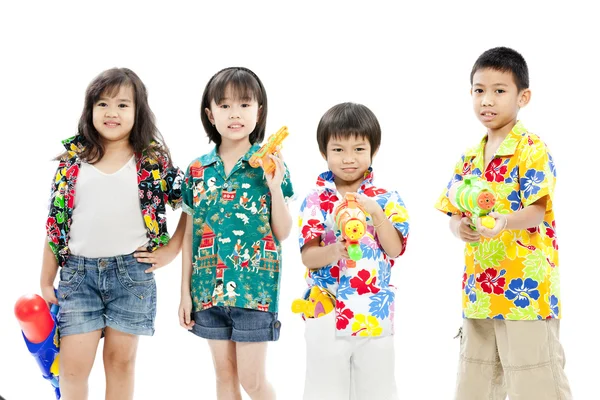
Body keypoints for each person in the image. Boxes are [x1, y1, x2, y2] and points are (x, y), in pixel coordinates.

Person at [434, 47, 572, 399]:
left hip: (524, 289)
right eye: (479, 90)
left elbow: (538, 211)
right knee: (476, 380)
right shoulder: (469, 157)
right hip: (480, 288)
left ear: (522, 96)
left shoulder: (531, 148)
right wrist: (458, 227)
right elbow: (453, 210)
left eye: (499, 90)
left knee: (534, 378)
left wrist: (503, 222)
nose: (487, 100)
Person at [40, 67, 186, 399]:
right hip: (78, 276)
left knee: (121, 363)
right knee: (74, 367)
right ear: (90, 111)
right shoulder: (72, 163)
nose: (112, 112)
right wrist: (46, 279)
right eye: (103, 104)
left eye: (123, 105)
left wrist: (172, 249)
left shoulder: (152, 162)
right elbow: (54, 226)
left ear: (138, 112)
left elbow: (191, 204)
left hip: (132, 275)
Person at [178, 67, 294, 400]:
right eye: (225, 105)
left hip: (254, 290)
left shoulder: (270, 165)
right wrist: (185, 293)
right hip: (206, 290)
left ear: (259, 111)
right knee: (224, 378)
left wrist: (273, 187)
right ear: (210, 114)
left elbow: (282, 232)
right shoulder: (197, 170)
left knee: (252, 381)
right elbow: (190, 236)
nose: (235, 114)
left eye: (244, 105)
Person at [298, 102, 409, 400]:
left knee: (379, 392)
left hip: (374, 312)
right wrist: (334, 251)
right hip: (326, 312)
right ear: (324, 153)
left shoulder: (387, 198)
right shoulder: (315, 200)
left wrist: (376, 214)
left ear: (373, 150)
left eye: (359, 149)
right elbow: (308, 256)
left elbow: (395, 249)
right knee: (323, 392)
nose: (349, 159)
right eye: (338, 150)